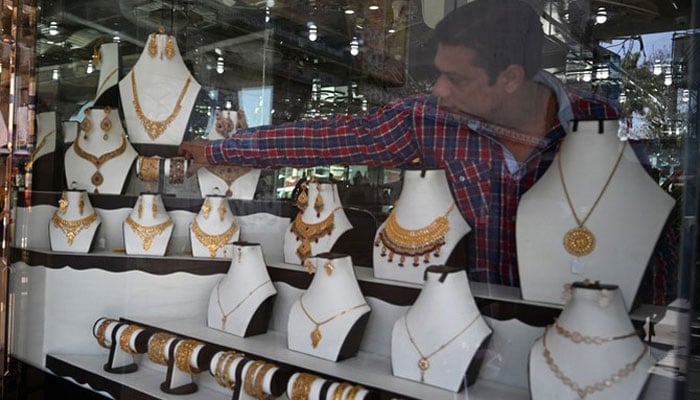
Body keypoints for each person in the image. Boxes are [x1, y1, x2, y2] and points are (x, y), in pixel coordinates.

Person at [180, 0, 677, 305]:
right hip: (469, 320)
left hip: (582, 326)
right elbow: (335, 137)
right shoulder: (428, 120)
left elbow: (649, 236)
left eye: (455, 77)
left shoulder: (598, 122)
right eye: (437, 72)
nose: (438, 89)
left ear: (509, 78)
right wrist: (225, 148)